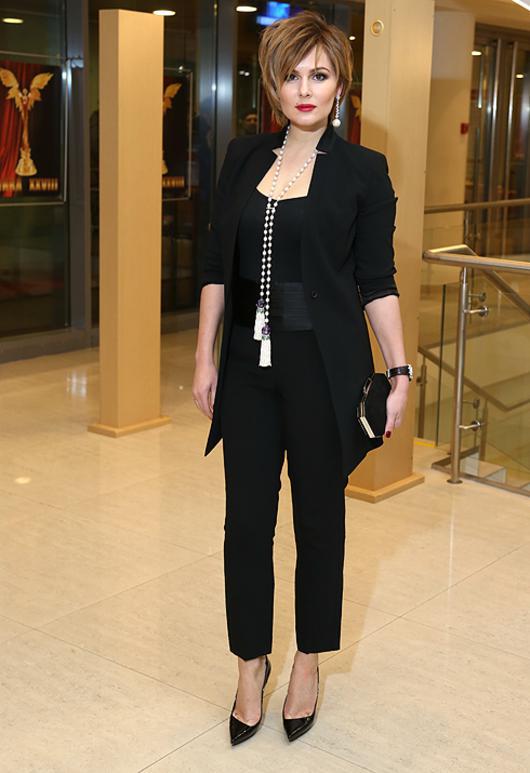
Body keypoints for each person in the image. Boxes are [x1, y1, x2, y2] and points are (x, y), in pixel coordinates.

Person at [192, 10, 411, 746]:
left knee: (320, 522)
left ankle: (309, 660)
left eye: (320, 74)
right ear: (274, 85)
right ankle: (250, 662)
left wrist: (400, 369)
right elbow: (216, 267)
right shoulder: (243, 157)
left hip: (323, 370)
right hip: (248, 370)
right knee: (246, 523)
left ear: (340, 83)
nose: (306, 88)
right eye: (292, 75)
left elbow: (376, 280)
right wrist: (204, 356)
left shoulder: (363, 170)